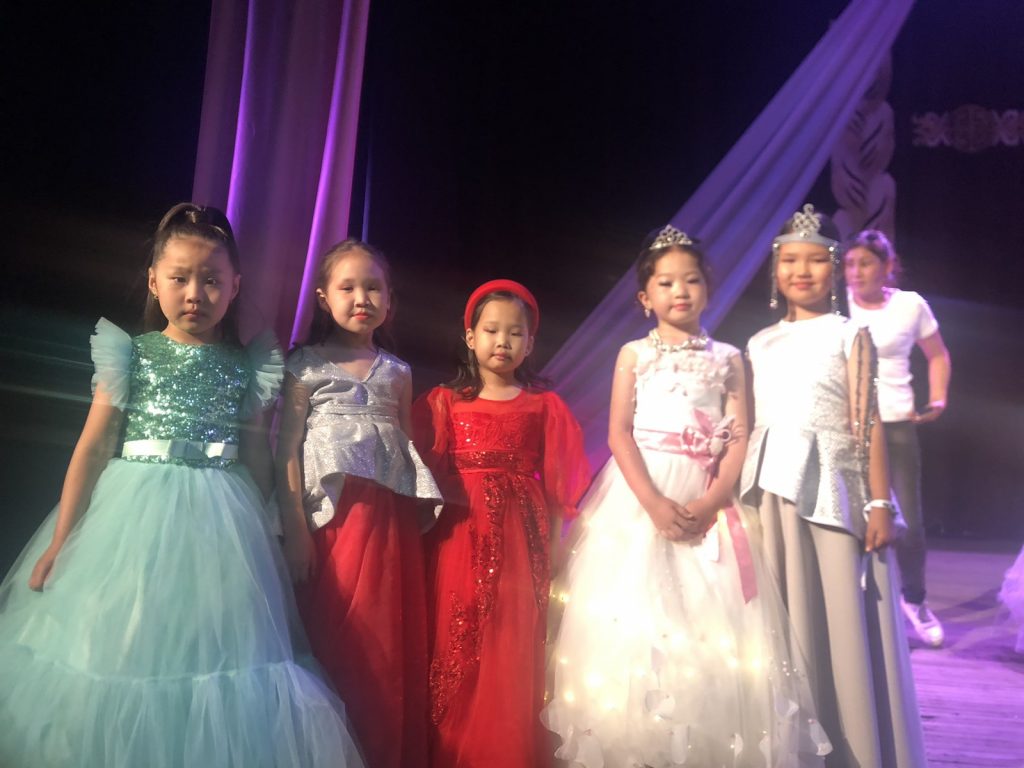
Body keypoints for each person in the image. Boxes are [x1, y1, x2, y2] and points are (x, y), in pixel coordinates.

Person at [0, 203, 363, 767]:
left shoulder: (246, 364)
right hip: (133, 516)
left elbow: (257, 454)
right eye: (180, 278)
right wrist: (60, 541)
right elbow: (92, 448)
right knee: (125, 642)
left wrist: (272, 531)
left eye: (212, 280)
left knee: (216, 650)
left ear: (235, 286)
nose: (196, 293)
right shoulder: (133, 355)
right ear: (154, 281)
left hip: (223, 522)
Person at [543, 226, 831, 767]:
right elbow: (619, 433)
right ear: (644, 297)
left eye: (692, 280)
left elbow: (740, 435)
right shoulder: (634, 354)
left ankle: (702, 741)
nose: (680, 291)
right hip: (640, 497)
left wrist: (713, 500)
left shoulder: (728, 358)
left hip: (706, 498)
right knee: (634, 618)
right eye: (666, 282)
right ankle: (638, 742)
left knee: (709, 621)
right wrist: (653, 503)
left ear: (708, 289)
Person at [741, 204, 926, 767]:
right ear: (775, 270)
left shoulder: (851, 334)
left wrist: (879, 501)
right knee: (785, 618)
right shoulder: (759, 342)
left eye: (817, 260)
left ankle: (855, 745)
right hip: (770, 492)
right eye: (790, 261)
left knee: (839, 617)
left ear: (834, 268)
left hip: (834, 491)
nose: (802, 271)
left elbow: (866, 423)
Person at [276, 238, 441, 768]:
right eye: (347, 287)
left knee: (383, 643)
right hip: (329, 526)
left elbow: (408, 453)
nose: (361, 298)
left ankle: (378, 751)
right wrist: (295, 529)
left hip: (388, 529)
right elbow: (287, 450)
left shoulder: (397, 372)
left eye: (373, 288)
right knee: (332, 637)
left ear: (389, 300)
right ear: (324, 297)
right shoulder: (304, 366)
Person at [412, 279, 591, 768]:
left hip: (521, 542)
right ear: (470, 337)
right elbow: (418, 477)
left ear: (530, 343)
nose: (503, 341)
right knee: (456, 636)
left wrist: (556, 548)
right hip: (458, 538)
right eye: (492, 330)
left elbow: (560, 488)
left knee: (513, 642)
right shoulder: (443, 403)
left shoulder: (545, 406)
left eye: (515, 333)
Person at [845, 229, 951, 647]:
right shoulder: (836, 307)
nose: (856, 272)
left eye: (865, 263)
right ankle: (855, 606)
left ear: (888, 266)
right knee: (850, 519)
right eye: (849, 264)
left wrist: (938, 397)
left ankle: (916, 600)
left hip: (895, 425)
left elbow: (937, 354)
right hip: (848, 426)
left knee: (909, 523)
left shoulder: (910, 305)